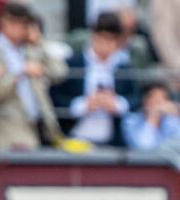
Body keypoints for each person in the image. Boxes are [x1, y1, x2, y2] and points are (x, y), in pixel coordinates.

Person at [0, 2, 65, 149]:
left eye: (21, 24)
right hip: (5, 126)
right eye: (12, 22)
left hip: (39, 125)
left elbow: (60, 73)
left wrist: (39, 41)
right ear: (1, 22)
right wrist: (20, 72)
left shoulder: (30, 48)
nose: (16, 28)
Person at [52, 12, 138, 146]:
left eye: (111, 40)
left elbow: (136, 99)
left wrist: (116, 103)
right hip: (74, 143)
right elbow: (56, 98)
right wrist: (84, 104)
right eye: (102, 38)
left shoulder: (123, 68)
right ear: (94, 36)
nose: (105, 45)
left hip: (112, 146)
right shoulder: (73, 64)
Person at [121, 80, 180, 149]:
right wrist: (152, 117)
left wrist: (174, 118)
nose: (158, 102)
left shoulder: (170, 119)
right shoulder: (130, 120)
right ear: (144, 99)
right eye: (154, 98)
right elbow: (142, 146)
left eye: (162, 98)